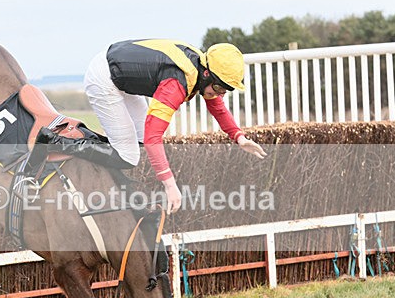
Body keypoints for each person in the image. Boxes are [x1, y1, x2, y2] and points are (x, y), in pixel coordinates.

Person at [83, 39, 267, 213]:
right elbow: (153, 138)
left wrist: (239, 138)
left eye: (225, 90)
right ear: (206, 74)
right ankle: (71, 145)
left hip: (118, 72)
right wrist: (170, 185)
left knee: (137, 140)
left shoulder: (200, 66)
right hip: (104, 79)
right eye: (219, 88)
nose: (221, 95)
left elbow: (218, 109)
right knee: (129, 157)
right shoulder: (175, 84)